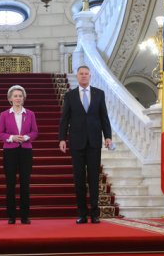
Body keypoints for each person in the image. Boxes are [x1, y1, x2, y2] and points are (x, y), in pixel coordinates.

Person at [59, 65, 112, 224]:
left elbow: (104, 117)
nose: (83, 76)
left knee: (94, 178)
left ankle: (95, 214)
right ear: (77, 76)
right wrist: (62, 138)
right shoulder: (70, 95)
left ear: (90, 76)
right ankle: (82, 213)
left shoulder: (99, 94)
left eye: (86, 74)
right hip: (76, 142)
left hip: (94, 141)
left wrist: (108, 136)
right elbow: (65, 119)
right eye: (81, 74)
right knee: (79, 179)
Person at [0, 85, 38, 224]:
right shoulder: (4, 114)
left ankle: (25, 216)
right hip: (10, 151)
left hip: (26, 150)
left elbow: (35, 132)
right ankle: (12, 216)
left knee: (25, 184)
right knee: (10, 183)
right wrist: (12, 138)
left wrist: (26, 137)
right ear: (10, 98)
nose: (18, 98)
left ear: (23, 98)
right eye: (15, 96)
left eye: (20, 96)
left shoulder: (30, 114)